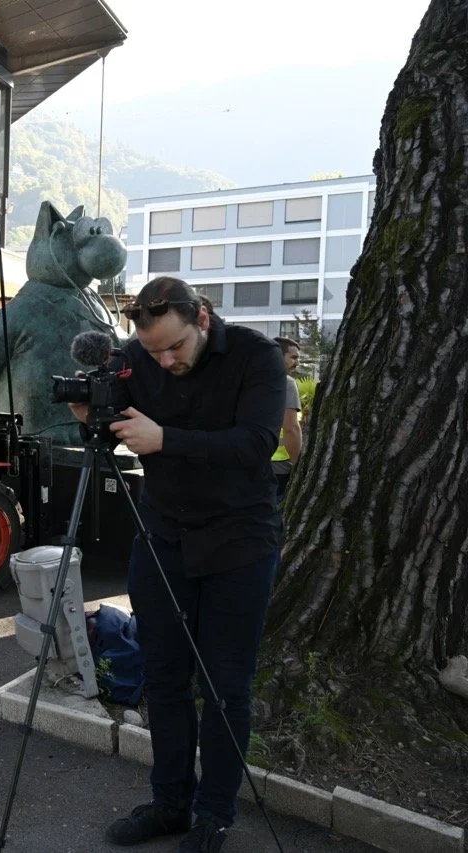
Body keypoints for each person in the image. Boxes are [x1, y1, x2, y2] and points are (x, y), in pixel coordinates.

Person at [68, 276, 285, 853]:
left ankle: (214, 814)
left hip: (240, 543)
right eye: (153, 351)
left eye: (175, 348)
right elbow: (111, 431)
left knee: (224, 687)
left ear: (202, 319)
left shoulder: (255, 356)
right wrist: (90, 417)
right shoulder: (135, 357)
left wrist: (166, 438)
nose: (164, 361)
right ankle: (170, 804)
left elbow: (256, 444)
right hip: (162, 536)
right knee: (163, 678)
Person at [269, 337, 303, 500]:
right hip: (279, 467)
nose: (297, 363)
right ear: (278, 355)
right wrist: (298, 465)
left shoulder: (250, 379)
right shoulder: (286, 382)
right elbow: (290, 428)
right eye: (293, 357)